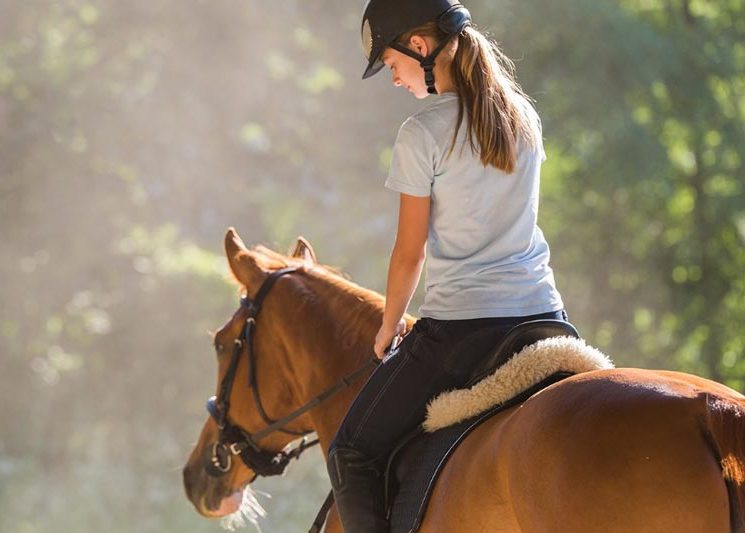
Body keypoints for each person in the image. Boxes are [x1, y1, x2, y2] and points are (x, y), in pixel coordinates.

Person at [327, 0, 568, 531]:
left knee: (351, 451)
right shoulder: (523, 117)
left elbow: (408, 252)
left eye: (391, 65)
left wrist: (389, 327)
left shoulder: (422, 133)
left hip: (465, 329)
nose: (394, 79)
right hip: (545, 318)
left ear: (420, 47)